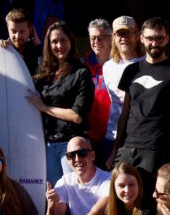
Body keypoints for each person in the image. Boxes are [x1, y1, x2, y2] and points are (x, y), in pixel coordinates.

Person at [110, 18, 170, 215]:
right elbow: (124, 113)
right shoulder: (132, 71)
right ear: (141, 39)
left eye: (159, 38)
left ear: (167, 39)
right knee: (121, 205)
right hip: (128, 148)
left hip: (157, 150)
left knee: (150, 207)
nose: (155, 43)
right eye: (150, 39)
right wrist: (115, 150)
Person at [27, 21, 93, 186]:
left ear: (70, 41)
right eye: (54, 42)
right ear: (48, 46)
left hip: (70, 146)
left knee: (74, 192)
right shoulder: (45, 74)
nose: (59, 45)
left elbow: (77, 116)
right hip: (48, 145)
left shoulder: (81, 73)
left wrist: (44, 108)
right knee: (55, 194)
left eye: (63, 40)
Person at [44, 136, 112, 215]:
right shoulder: (65, 181)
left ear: (92, 155)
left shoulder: (107, 180)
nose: (77, 159)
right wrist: (51, 207)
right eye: (71, 156)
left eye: (82, 153)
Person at [101, 16, 145, 164]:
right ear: (113, 37)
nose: (123, 38)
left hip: (138, 138)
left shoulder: (147, 63)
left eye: (128, 33)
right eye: (119, 34)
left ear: (137, 35)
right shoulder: (107, 67)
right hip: (111, 136)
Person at [84, 19, 114, 164]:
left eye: (101, 37)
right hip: (89, 132)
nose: (96, 41)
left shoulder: (119, 62)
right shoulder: (83, 62)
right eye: (93, 38)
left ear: (111, 38)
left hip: (113, 132)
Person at [4, 7, 40, 77]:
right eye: (13, 31)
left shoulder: (35, 51)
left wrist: (37, 44)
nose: (17, 36)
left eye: (22, 31)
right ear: (8, 29)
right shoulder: (2, 50)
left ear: (30, 30)